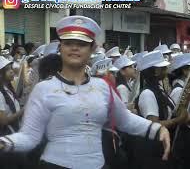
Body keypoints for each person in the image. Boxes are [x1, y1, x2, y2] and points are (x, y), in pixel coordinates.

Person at [0, 16, 170, 169]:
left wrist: (157, 129)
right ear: (61, 48)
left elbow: (124, 120)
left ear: (92, 48)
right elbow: (29, 137)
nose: (74, 48)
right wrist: (4, 142)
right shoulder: (44, 89)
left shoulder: (102, 87)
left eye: (81, 44)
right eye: (68, 43)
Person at [0, 56, 25, 169]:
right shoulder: (0, 94)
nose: (12, 71)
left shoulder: (8, 89)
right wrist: (23, 111)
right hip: (6, 138)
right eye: (8, 69)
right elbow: (3, 121)